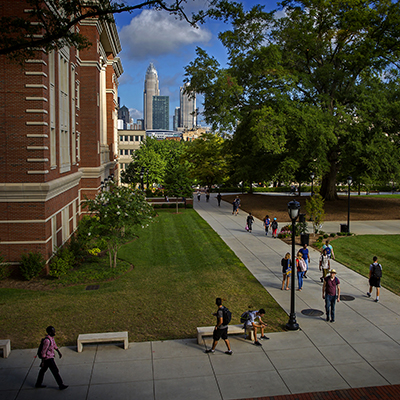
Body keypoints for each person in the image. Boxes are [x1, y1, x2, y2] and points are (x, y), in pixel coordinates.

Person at [35, 326, 68, 390]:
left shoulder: (51, 338)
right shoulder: (47, 341)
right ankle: (61, 385)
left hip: (50, 357)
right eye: (53, 331)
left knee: (42, 371)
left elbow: (54, 345)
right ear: (49, 332)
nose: (54, 332)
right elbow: (43, 352)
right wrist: (43, 361)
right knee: (55, 371)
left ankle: (38, 384)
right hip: (48, 358)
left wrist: (58, 352)